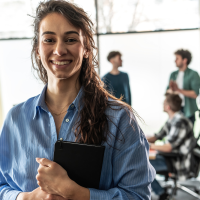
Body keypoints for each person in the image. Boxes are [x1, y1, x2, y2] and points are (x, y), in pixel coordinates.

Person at [0, 1, 155, 200]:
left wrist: (75, 193)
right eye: (49, 40)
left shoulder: (119, 118)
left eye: (70, 39)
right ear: (38, 49)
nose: (59, 50)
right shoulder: (16, 118)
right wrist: (24, 198)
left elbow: (138, 196)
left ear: (86, 48)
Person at [147, 93, 195, 200]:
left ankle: (162, 194)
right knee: (143, 161)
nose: (162, 105)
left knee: (141, 166)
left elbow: (169, 147)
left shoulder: (180, 122)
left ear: (168, 107)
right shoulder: (172, 120)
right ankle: (160, 192)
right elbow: (157, 136)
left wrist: (147, 145)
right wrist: (141, 138)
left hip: (177, 161)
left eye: (164, 103)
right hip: (169, 157)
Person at [167, 49, 200, 125]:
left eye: (177, 58)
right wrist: (171, 90)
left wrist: (178, 89)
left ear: (185, 60)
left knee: (188, 135)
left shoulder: (193, 74)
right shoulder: (173, 74)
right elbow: (167, 92)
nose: (175, 61)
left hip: (188, 111)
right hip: (175, 110)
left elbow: (195, 94)